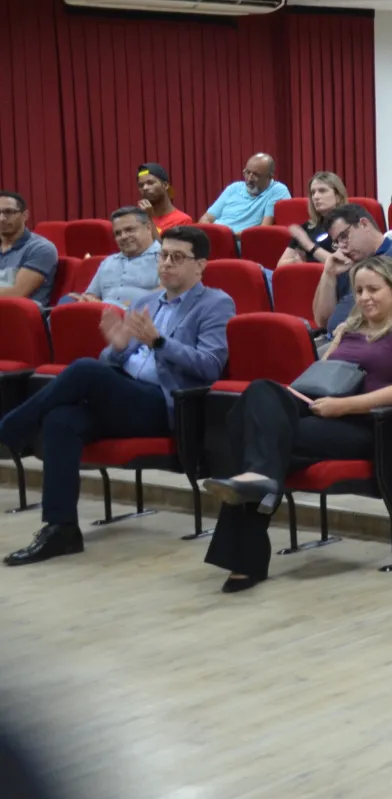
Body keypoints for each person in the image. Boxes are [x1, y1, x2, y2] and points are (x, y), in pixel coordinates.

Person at [0, 225, 233, 566]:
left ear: (200, 266)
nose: (166, 263)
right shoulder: (146, 301)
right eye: (163, 256)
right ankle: (61, 529)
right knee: (61, 420)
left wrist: (160, 343)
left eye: (177, 257)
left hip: (167, 404)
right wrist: (119, 348)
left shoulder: (215, 303)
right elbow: (111, 361)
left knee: (84, 370)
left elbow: (210, 366)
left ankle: (9, 429)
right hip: (127, 395)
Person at [202, 255, 392, 592]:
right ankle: (259, 481)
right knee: (260, 391)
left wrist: (343, 406)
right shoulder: (349, 328)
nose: (365, 297)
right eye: (359, 290)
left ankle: (246, 552)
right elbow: (320, 375)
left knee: (261, 443)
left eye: (373, 289)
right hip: (321, 409)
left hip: (366, 425)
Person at [311, 204, 392, 334]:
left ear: (364, 224)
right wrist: (329, 273)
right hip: (336, 339)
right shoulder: (347, 263)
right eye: (337, 242)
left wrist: (352, 329)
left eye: (344, 236)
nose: (342, 246)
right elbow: (323, 321)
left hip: (376, 340)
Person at [61, 207, 159, 308]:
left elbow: (162, 298)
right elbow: (92, 296)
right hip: (102, 315)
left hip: (141, 315)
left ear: (148, 228)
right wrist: (85, 300)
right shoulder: (108, 262)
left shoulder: (164, 258)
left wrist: (111, 307)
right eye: (118, 233)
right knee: (66, 302)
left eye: (129, 230)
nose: (123, 236)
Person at [199, 153, 290, 231]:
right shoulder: (234, 188)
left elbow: (263, 230)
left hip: (239, 241)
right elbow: (207, 218)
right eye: (247, 172)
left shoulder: (277, 190)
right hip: (216, 236)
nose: (249, 178)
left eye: (256, 175)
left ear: (269, 177)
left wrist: (229, 235)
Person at [0, 193, 60, 307]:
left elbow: (16, 294)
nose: (2, 218)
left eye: (8, 212)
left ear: (25, 215)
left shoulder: (41, 248)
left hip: (19, 314)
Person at [278, 171, 348, 267]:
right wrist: (295, 261)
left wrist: (309, 245)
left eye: (322, 191)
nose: (316, 196)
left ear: (338, 196)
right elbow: (280, 266)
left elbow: (343, 265)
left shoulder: (350, 225)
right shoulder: (307, 227)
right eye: (313, 192)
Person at [134, 163, 190, 231]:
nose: (145, 188)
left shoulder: (182, 220)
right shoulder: (138, 219)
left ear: (165, 185)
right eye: (141, 185)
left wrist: (149, 218)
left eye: (150, 183)